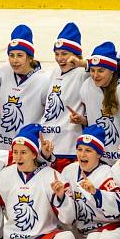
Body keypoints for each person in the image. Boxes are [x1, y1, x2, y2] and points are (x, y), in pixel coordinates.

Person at [0, 124, 79, 239]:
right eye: (15, 152)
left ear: (34, 154)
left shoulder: (52, 176)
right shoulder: (3, 176)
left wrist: (62, 198)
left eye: (23, 152)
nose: (18, 157)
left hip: (44, 237)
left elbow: (69, 219)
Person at [51, 124, 120, 239]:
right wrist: (62, 198)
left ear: (99, 154)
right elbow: (67, 219)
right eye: (79, 149)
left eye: (88, 150)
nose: (82, 154)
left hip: (106, 232)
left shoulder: (107, 173)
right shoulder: (69, 171)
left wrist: (96, 193)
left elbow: (119, 210)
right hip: (79, 234)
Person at [77, 41, 120, 163]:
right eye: (92, 70)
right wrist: (83, 120)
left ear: (112, 70)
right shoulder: (86, 86)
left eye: (101, 70)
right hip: (97, 161)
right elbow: (93, 115)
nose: (95, 75)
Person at [40, 22, 89, 171]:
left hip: (69, 147)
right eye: (57, 54)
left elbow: (105, 66)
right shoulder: (55, 73)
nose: (60, 58)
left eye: (64, 54)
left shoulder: (84, 74)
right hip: (48, 145)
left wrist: (83, 64)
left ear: (75, 55)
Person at [0, 25, 50, 149]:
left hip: (29, 149)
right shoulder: (4, 71)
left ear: (30, 57)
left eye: (20, 55)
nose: (14, 61)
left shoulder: (44, 80)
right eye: (11, 55)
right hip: (4, 147)